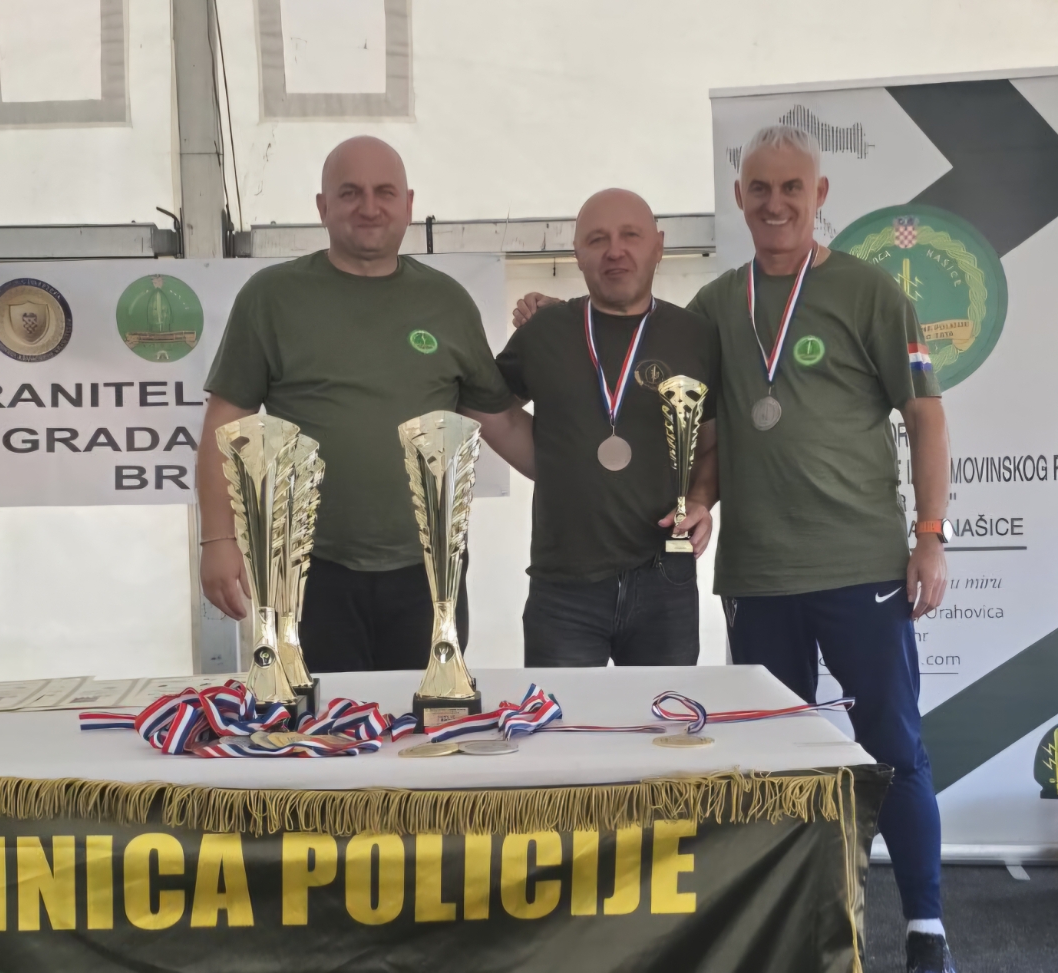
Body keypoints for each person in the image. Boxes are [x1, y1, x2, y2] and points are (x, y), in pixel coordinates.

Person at [513, 128, 954, 973]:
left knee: (892, 748)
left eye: (791, 187)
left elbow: (924, 414)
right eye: (759, 188)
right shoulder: (715, 307)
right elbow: (704, 432)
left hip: (862, 566)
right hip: (755, 576)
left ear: (819, 195)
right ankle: (789, 925)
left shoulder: (869, 293)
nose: (774, 203)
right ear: (739, 197)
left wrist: (928, 536)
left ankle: (925, 924)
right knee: (771, 764)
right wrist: (698, 501)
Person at [197, 135, 532, 673]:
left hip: (430, 572)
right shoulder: (272, 297)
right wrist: (217, 540)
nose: (369, 207)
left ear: (408, 204)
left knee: (425, 717)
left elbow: (501, 421)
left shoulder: (447, 302)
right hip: (308, 569)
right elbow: (225, 424)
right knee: (323, 718)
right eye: (350, 193)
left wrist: (588, 482)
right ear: (322, 207)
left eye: (384, 192)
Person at [487, 188, 719, 667]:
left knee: (663, 713)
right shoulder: (544, 332)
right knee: (564, 717)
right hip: (563, 586)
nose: (615, 250)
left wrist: (700, 499)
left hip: (665, 578)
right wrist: (554, 464)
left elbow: (713, 443)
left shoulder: (696, 336)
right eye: (597, 239)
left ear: (658, 245)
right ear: (577, 253)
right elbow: (492, 410)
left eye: (630, 235)